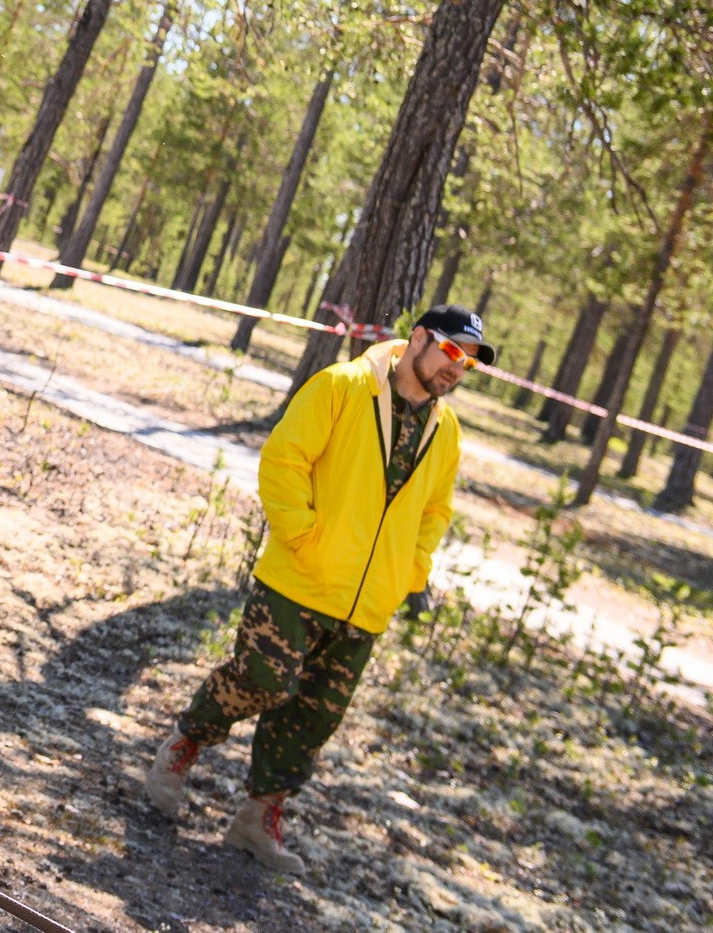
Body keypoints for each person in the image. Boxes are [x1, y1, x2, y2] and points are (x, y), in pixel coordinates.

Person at [142, 304, 486, 872]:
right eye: (451, 352)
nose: (458, 369)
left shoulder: (445, 430)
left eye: (469, 364)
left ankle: (257, 820)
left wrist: (410, 571)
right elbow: (285, 458)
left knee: (312, 719)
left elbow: (435, 511)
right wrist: (302, 534)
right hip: (297, 582)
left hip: (368, 604)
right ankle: (182, 747)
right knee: (261, 681)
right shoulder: (344, 385)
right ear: (419, 339)